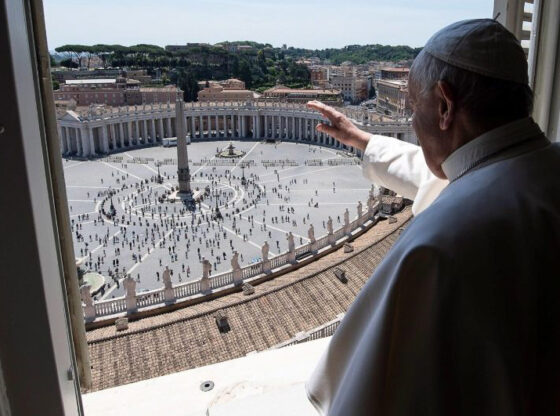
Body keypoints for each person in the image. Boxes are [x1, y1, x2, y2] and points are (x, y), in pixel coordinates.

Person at [306, 19, 560, 415]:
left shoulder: (437, 245)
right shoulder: (538, 165)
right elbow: (454, 175)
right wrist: (363, 141)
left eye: (412, 106)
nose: (409, 122)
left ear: (444, 105)